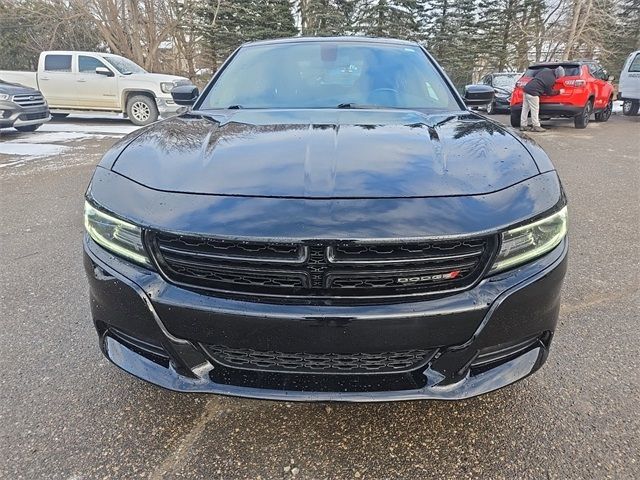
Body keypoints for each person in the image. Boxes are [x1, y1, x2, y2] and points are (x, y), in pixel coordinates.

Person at [521, 66, 565, 132]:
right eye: (559, 77)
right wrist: (559, 91)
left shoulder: (546, 70)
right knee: (535, 110)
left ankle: (523, 125)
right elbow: (549, 92)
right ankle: (536, 126)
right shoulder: (551, 79)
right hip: (533, 93)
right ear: (557, 74)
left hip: (527, 89)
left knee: (525, 109)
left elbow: (536, 76)